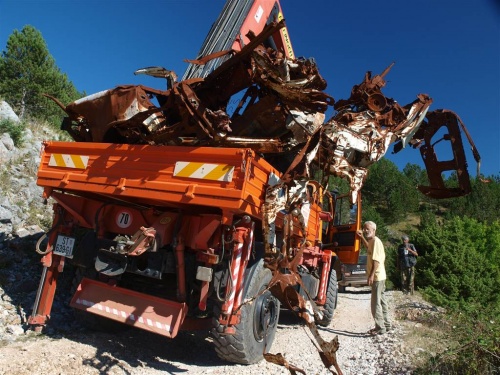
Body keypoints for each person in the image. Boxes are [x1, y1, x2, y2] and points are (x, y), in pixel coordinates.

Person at [356, 221, 391, 335]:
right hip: (381, 276)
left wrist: (371, 276)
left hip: (377, 277)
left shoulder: (376, 241)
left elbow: (376, 261)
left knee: (375, 303)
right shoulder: (372, 241)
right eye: (364, 229)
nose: (365, 230)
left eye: (367, 229)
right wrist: (361, 238)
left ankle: (380, 327)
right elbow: (368, 249)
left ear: (374, 230)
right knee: (382, 301)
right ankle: (386, 324)